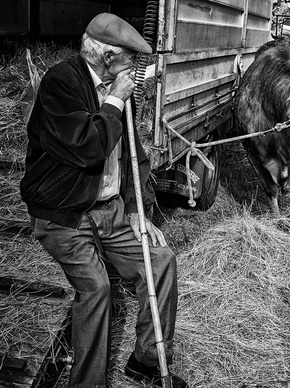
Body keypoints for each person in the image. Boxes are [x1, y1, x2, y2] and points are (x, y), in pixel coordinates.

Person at [20, 13, 187, 388]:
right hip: (65, 215)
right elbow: (88, 147)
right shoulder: (61, 83)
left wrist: (134, 209)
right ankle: (87, 383)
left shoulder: (117, 89)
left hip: (109, 212)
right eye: (133, 60)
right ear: (109, 57)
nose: (137, 71)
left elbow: (134, 157)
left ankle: (146, 361)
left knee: (161, 262)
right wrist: (114, 100)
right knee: (97, 289)